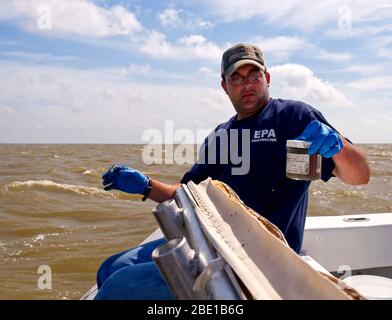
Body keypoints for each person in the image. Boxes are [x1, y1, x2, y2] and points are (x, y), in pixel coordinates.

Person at [95, 43, 371, 300]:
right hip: (207, 240)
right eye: (236, 79)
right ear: (225, 86)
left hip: (256, 256)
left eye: (254, 75)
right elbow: (188, 197)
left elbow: (360, 176)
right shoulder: (219, 135)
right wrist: (145, 185)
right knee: (110, 267)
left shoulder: (293, 117)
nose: (246, 84)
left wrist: (339, 149)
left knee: (117, 288)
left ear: (268, 79)